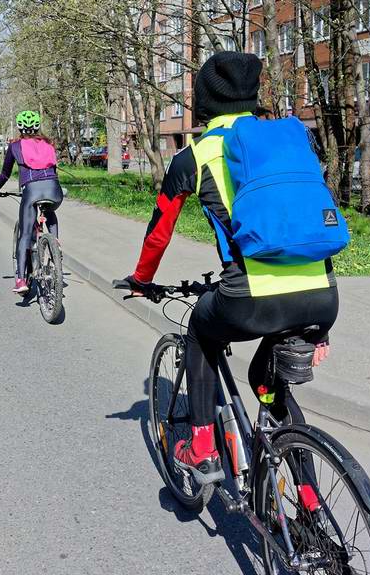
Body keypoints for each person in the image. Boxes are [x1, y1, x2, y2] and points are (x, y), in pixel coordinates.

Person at [119, 52, 337, 481]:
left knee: (201, 332)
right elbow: (308, 215)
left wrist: (142, 280)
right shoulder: (289, 142)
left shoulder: (194, 156)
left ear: (202, 104)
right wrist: (321, 327)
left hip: (249, 299)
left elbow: (159, 231)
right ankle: (310, 503)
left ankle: (201, 447)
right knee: (267, 382)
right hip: (322, 295)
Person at [0, 110, 63, 294]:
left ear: (20, 127)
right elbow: (54, 169)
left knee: (25, 234)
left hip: (31, 191)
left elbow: (5, 173)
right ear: (38, 126)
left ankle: (21, 280)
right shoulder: (49, 144)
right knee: (49, 211)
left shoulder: (15, 146)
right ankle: (55, 244)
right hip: (54, 190)